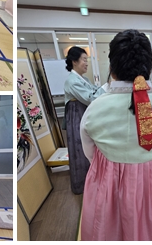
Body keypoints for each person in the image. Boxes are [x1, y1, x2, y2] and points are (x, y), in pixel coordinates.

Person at [80, 30, 152, 240]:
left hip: (110, 186)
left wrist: (114, 162)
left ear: (111, 70)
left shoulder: (93, 110)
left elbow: (91, 154)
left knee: (110, 231)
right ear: (149, 68)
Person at [63, 47, 106, 195]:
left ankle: (93, 182)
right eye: (84, 59)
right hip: (77, 115)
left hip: (85, 113)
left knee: (89, 146)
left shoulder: (84, 79)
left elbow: (95, 91)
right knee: (80, 148)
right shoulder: (71, 81)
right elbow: (91, 98)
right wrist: (107, 85)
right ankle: (83, 185)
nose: (86, 63)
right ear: (74, 61)